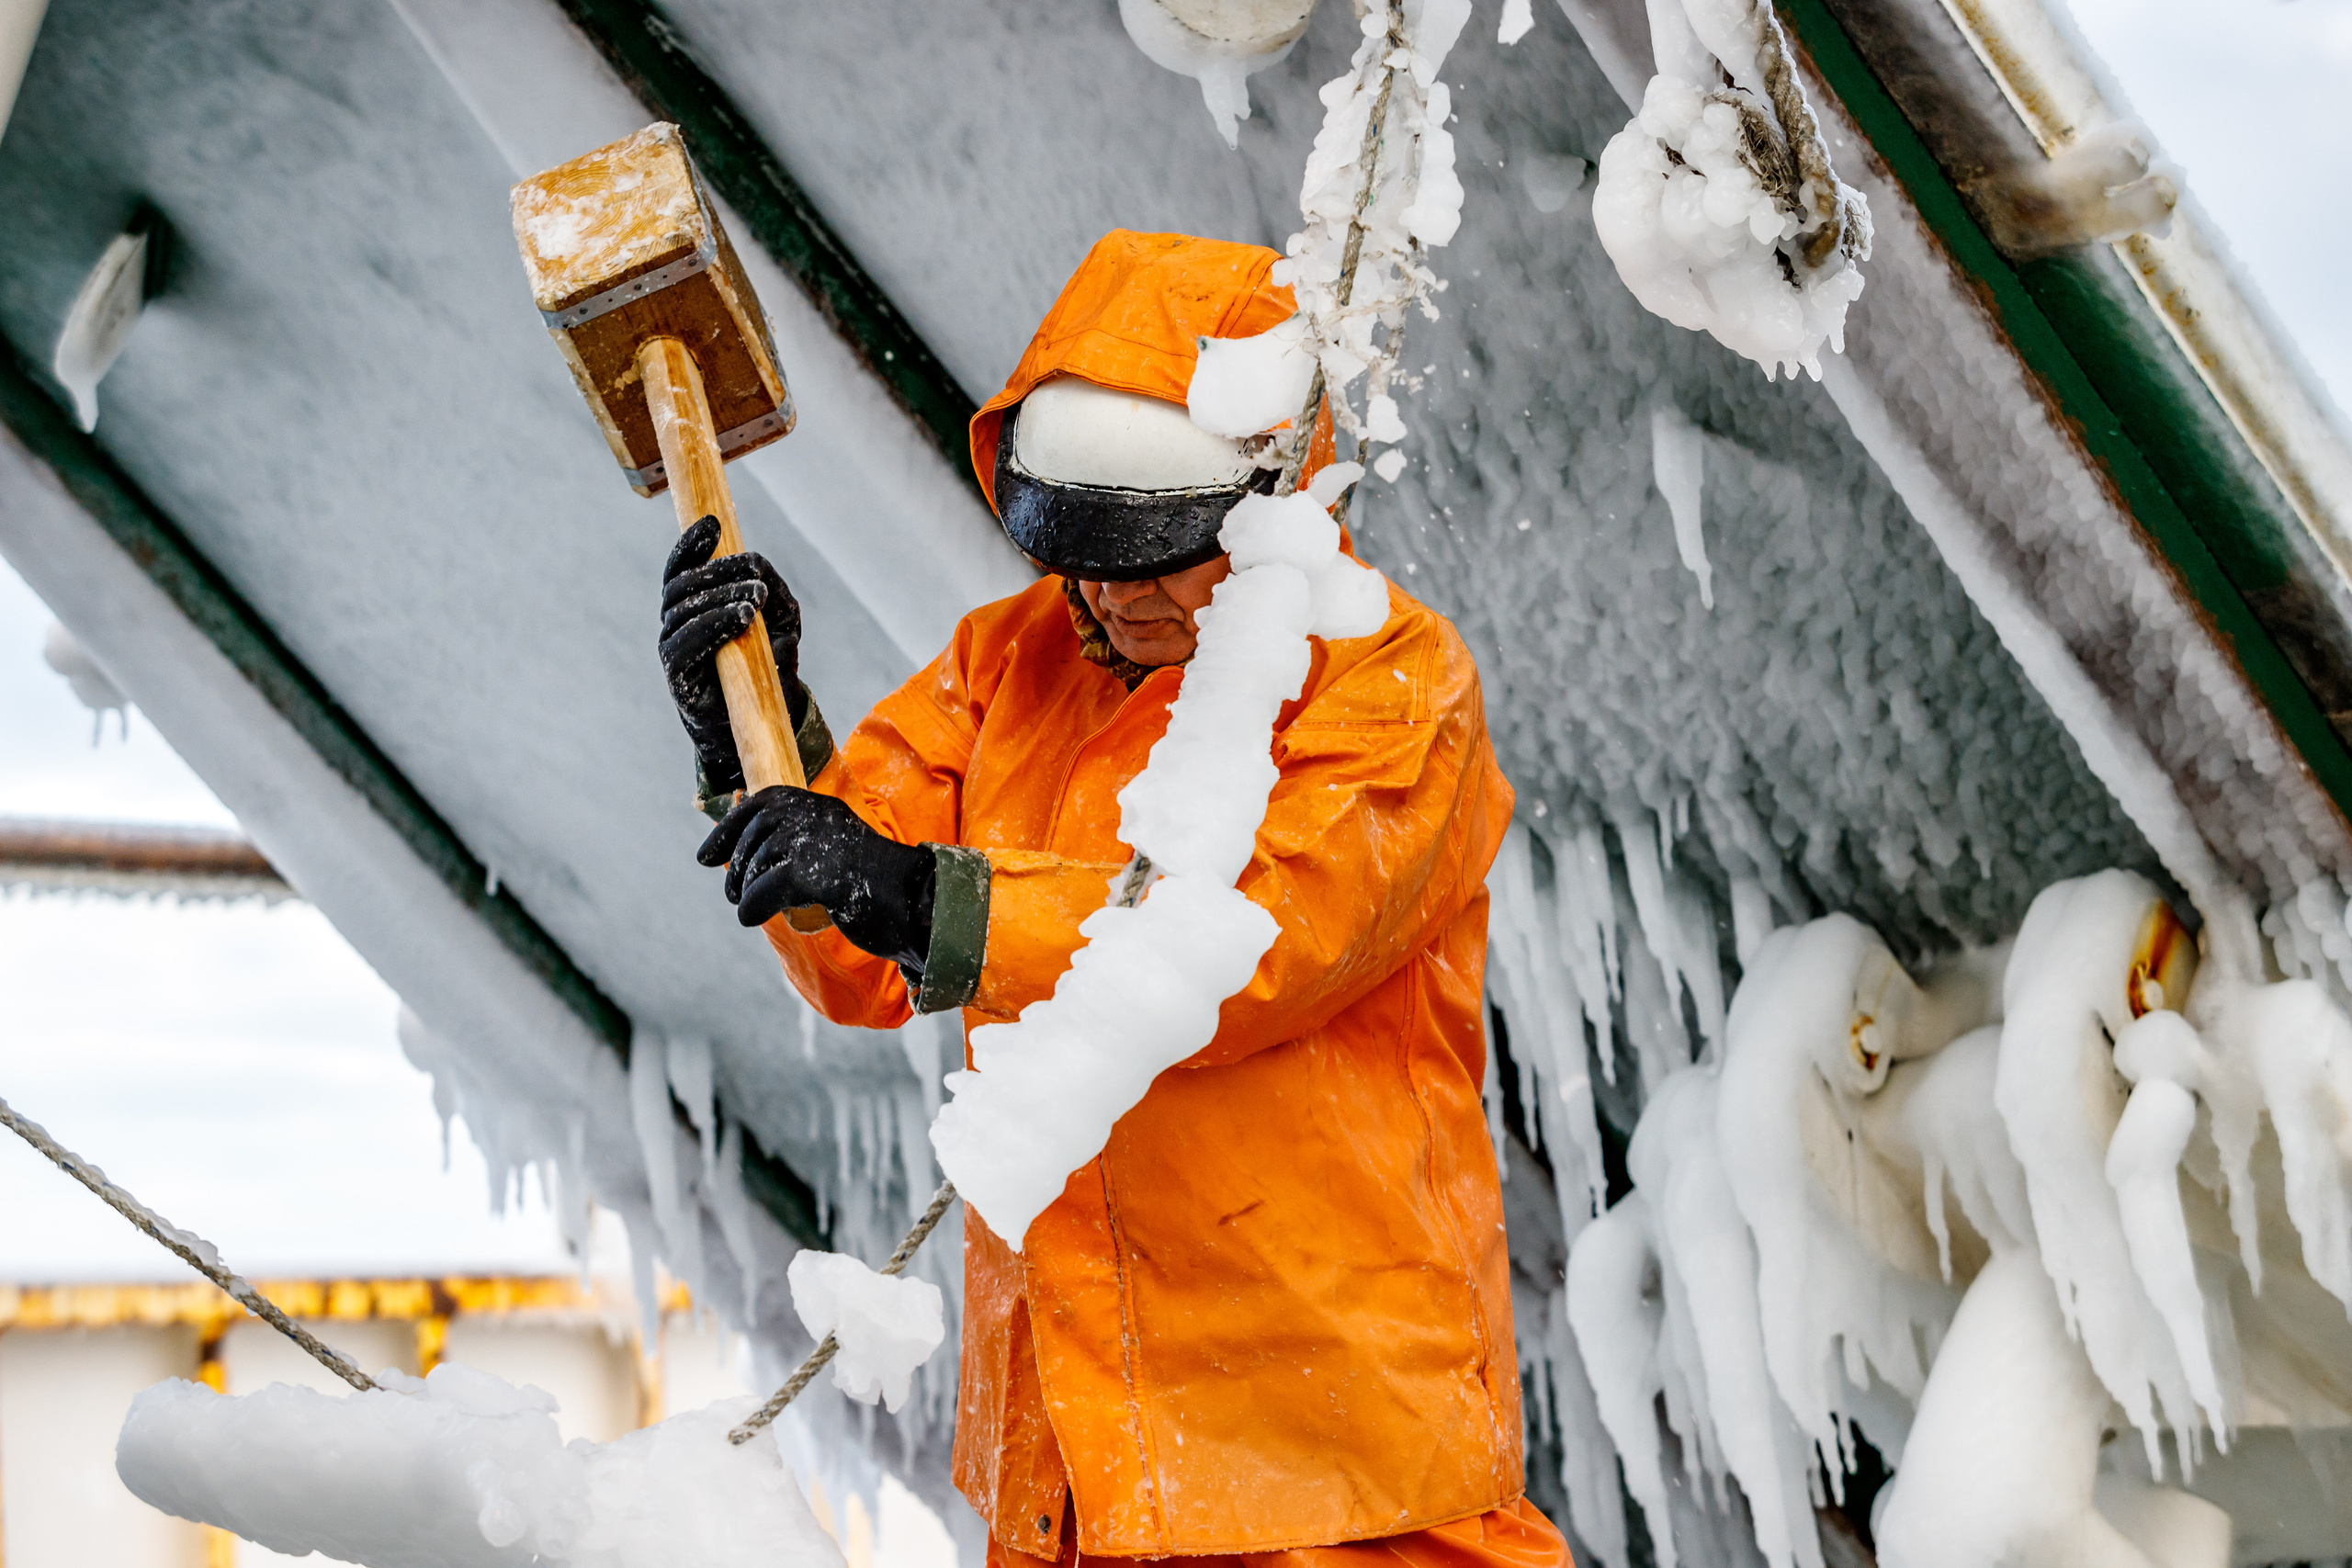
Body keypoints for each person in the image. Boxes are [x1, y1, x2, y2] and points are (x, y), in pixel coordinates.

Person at [657, 231, 1564, 1568]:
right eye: (1092, 547)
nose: (1120, 588)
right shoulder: (1002, 665)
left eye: (1163, 549)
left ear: (1272, 494)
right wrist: (758, 751)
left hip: (1342, 1474)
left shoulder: (1392, 685)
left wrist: (923, 900)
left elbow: (1248, 947)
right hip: (1075, 1478)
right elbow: (856, 948)